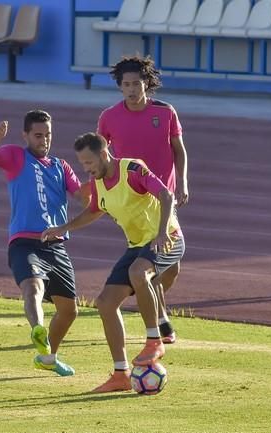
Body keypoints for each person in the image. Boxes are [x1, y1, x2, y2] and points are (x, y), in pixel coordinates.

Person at [42, 132, 185, 393]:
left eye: (89, 162)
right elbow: (95, 210)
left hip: (167, 238)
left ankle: (155, 341)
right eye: (82, 164)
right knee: (105, 303)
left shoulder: (132, 168)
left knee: (138, 273)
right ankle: (121, 374)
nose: (86, 168)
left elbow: (165, 195)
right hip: (137, 246)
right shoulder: (97, 183)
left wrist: (164, 231)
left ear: (104, 154)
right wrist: (63, 227)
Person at [0, 110, 86, 376]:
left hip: (56, 246)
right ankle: (37, 328)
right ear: (25, 135)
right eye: (38, 135)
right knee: (32, 287)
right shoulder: (15, 155)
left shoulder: (61, 166)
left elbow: (83, 197)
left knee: (69, 311)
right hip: (24, 242)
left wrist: (103, 174)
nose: (44, 140)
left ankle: (48, 358)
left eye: (47, 135)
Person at [97, 54, 189, 344]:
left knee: (171, 267)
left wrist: (183, 182)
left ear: (147, 83)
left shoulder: (165, 112)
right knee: (149, 258)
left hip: (164, 197)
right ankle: (160, 320)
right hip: (135, 201)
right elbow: (101, 155)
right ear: (120, 87)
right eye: (127, 84)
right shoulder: (109, 116)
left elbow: (179, 150)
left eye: (137, 83)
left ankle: (150, 297)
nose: (132, 89)